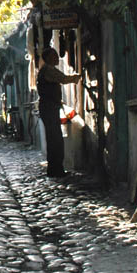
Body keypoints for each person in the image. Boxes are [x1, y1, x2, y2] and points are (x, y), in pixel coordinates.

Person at [36, 48, 80, 177]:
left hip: (49, 107)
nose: (57, 58)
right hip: (49, 107)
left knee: (53, 138)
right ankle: (56, 170)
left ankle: (54, 169)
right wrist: (77, 77)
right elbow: (64, 79)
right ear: (48, 58)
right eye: (54, 56)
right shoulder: (48, 70)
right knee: (55, 139)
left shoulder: (46, 70)